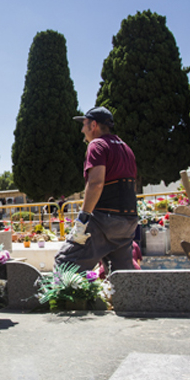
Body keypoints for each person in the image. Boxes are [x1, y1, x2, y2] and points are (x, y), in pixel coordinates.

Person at [54, 106, 140, 275]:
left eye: (84, 124)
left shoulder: (97, 145)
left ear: (93, 125)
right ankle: (126, 300)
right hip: (128, 220)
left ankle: (71, 302)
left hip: (105, 219)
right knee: (121, 275)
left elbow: (96, 183)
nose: (82, 130)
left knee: (65, 263)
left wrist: (83, 217)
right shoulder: (126, 148)